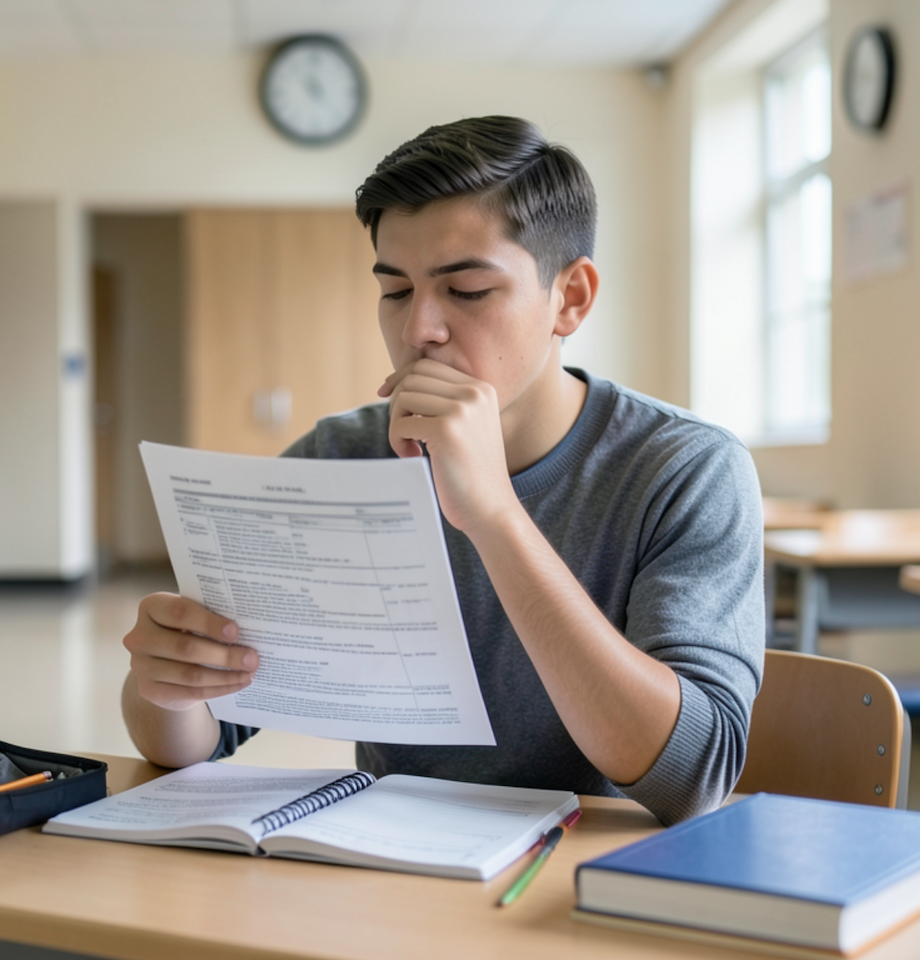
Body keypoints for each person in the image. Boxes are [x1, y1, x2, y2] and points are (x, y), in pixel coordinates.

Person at [122, 116, 764, 825]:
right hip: (395, 869)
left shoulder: (686, 468)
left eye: (467, 290)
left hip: (596, 877)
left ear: (570, 298)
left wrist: (493, 514)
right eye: (396, 291)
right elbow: (201, 736)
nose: (418, 329)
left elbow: (692, 777)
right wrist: (165, 687)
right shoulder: (339, 459)